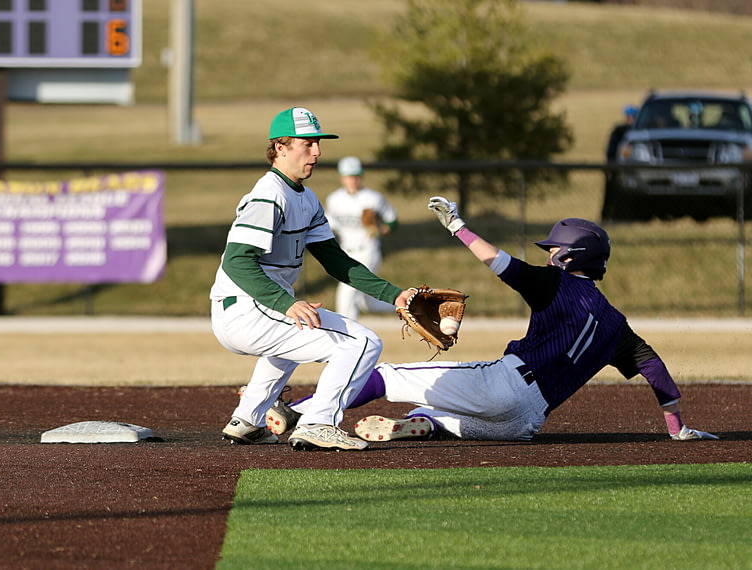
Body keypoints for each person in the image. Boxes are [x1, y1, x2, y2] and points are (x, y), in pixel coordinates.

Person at [275, 197, 719, 443]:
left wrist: (458, 227)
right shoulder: (618, 325)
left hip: (506, 384)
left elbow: (499, 262)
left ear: (569, 256)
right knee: (434, 411)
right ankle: (422, 424)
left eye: (552, 249)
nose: (548, 254)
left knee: (381, 376)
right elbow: (654, 368)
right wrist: (676, 428)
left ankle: (295, 414)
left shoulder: (555, 283)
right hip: (526, 423)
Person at [209, 107, 419, 451]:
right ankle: (319, 422)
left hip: (254, 309)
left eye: (318, 143)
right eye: (307, 144)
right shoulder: (269, 194)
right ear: (281, 148)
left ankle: (247, 420)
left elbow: (335, 261)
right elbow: (236, 263)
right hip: (246, 308)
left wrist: (393, 294)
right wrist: (287, 303)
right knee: (363, 343)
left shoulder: (306, 198)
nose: (317, 152)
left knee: (295, 340)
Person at [325, 156, 399, 320]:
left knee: (347, 292)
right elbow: (328, 226)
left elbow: (392, 220)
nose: (352, 180)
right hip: (346, 253)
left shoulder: (373, 198)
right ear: (341, 177)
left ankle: (348, 336)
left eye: (355, 176)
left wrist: (381, 227)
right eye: (348, 176)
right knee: (368, 303)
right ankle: (408, 306)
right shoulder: (334, 199)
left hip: (368, 250)